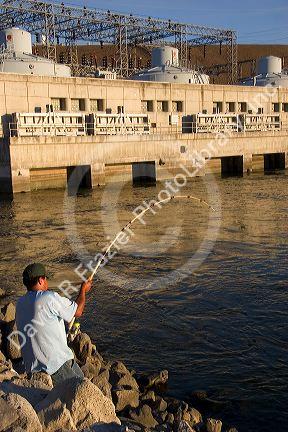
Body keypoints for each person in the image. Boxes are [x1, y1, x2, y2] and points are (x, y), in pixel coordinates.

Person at [16, 262, 92, 386]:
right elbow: (78, 311)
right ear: (41, 280)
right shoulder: (48, 298)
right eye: (45, 279)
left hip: (33, 370)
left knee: (82, 379)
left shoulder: (20, 303)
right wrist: (83, 290)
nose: (46, 283)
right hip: (56, 366)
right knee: (82, 391)